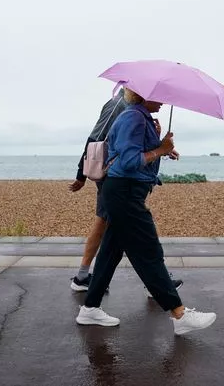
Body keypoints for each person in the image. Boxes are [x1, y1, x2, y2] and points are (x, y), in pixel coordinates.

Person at [75, 93, 216, 335]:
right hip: (125, 193)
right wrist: (160, 149)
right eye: (158, 96)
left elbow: (132, 154)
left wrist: (162, 148)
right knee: (148, 250)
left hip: (121, 192)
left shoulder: (141, 117)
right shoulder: (134, 118)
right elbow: (129, 161)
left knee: (110, 251)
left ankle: (89, 308)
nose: (163, 100)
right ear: (141, 95)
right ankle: (179, 314)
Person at [68, 88, 182, 296]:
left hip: (125, 178)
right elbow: (96, 137)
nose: (163, 101)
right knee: (113, 225)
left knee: (115, 234)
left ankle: (90, 288)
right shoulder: (119, 106)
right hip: (115, 176)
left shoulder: (138, 112)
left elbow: (133, 144)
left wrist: (160, 145)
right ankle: (83, 277)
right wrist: (81, 174)